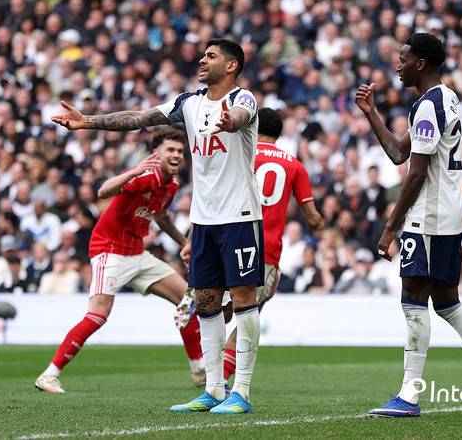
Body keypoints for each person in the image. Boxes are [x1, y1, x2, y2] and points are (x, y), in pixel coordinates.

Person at [52, 39, 261, 414]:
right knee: (206, 302)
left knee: (244, 300)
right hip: (203, 221)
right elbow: (139, 117)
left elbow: (242, 115)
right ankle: (214, 389)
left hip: (240, 217)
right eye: (203, 55)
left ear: (231, 66)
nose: (202, 60)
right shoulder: (188, 103)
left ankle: (241, 392)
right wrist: (88, 122)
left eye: (211, 56)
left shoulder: (242, 98)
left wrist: (231, 121)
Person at [355, 33, 462, 419]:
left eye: (403, 59)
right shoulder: (445, 99)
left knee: (413, 297)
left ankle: (409, 395)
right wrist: (371, 114)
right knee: (447, 302)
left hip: (428, 217)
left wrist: (390, 227)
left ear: (421, 64)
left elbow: (415, 172)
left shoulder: (428, 106)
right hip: (449, 215)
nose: (398, 66)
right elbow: (400, 152)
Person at [34, 129, 204, 394]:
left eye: (180, 151)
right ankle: (49, 374)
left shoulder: (170, 185)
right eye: (170, 150)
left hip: (137, 253)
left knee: (188, 299)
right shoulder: (142, 176)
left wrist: (185, 244)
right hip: (110, 250)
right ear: (156, 153)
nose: (176, 155)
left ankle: (199, 370)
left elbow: (160, 217)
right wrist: (134, 171)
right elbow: (103, 191)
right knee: (98, 315)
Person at [219, 108, 323, 384]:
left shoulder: (241, 156)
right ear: (280, 132)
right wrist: (319, 222)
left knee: (225, 310)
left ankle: (213, 369)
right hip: (265, 251)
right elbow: (312, 219)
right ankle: (223, 378)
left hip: (230, 243)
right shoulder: (295, 166)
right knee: (250, 315)